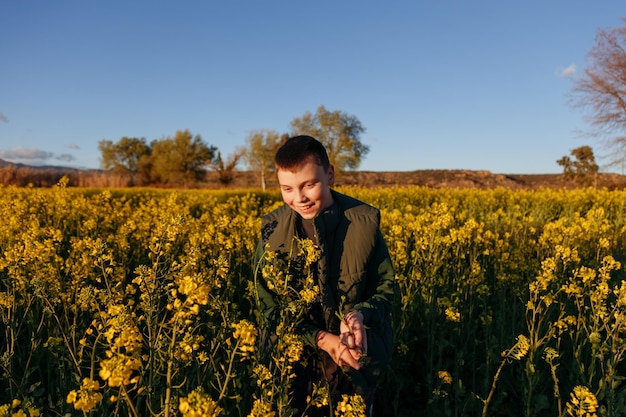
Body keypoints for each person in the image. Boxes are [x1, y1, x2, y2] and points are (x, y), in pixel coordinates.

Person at [253, 135, 397, 416]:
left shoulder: (363, 224)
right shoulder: (271, 234)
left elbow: (386, 289)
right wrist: (321, 339)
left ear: (330, 175)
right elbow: (269, 309)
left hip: (354, 363)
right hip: (294, 367)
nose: (299, 198)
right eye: (287, 189)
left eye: (309, 185)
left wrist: (359, 315)